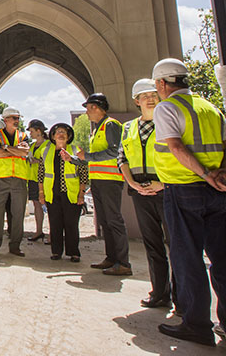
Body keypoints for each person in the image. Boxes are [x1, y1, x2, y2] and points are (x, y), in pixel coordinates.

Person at [151, 58, 226, 347]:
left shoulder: (168, 107)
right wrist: (219, 175)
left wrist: (206, 175)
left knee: (188, 258)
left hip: (185, 189)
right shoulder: (212, 109)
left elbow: (176, 146)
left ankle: (197, 324)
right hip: (218, 190)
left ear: (161, 84)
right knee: (221, 257)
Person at [118, 78, 175, 310]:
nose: (150, 99)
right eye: (144, 96)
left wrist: (163, 183)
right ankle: (160, 293)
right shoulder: (129, 127)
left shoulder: (169, 122)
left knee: (176, 245)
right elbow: (122, 158)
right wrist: (131, 183)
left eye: (153, 94)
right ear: (136, 101)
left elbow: (178, 153)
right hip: (140, 192)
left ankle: (182, 299)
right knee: (153, 245)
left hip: (167, 190)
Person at [69, 93, 131, 276]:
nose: (87, 113)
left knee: (114, 220)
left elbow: (114, 152)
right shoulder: (98, 129)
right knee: (105, 221)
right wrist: (75, 159)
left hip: (110, 181)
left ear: (96, 107)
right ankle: (111, 258)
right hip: (99, 181)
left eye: (88, 108)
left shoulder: (110, 125)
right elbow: (94, 160)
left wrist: (87, 156)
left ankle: (123, 262)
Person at [0, 107, 30, 257]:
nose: (17, 121)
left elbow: (24, 152)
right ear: (5, 120)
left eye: (18, 118)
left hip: (19, 178)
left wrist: (6, 148)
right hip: (0, 179)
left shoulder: (23, 136)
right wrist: (14, 150)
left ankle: (15, 245)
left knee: (18, 213)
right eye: (13, 118)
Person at [39, 123, 88, 261]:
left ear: (68, 136)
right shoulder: (46, 151)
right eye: (58, 132)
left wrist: (81, 194)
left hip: (71, 193)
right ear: (53, 136)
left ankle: (74, 252)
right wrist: (41, 193)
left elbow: (83, 173)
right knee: (55, 223)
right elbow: (41, 174)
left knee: (71, 224)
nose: (61, 134)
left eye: (64, 132)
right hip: (52, 193)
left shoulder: (75, 150)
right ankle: (56, 252)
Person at [27, 119, 51, 242]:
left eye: (31, 131)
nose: (30, 134)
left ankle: (53, 233)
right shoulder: (32, 145)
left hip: (45, 179)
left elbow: (51, 161)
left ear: (38, 131)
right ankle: (39, 231)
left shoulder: (48, 145)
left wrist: (39, 161)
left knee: (49, 206)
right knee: (36, 204)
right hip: (32, 179)